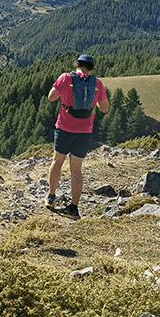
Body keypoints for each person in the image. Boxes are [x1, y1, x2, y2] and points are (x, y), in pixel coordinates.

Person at [46, 53, 110, 220]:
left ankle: (51, 197)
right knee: (76, 169)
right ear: (91, 69)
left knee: (57, 161)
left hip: (64, 127)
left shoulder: (66, 77)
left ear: (77, 64)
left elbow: (51, 97)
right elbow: (105, 109)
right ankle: (73, 209)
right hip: (84, 131)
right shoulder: (97, 83)